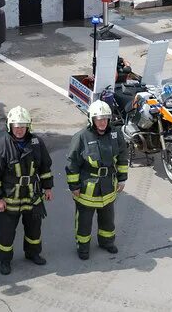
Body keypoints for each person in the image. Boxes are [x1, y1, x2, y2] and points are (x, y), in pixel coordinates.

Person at [0, 106, 54, 275]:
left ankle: (33, 253)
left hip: (32, 195)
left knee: (34, 229)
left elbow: (45, 166)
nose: (19, 129)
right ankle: (4, 260)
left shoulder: (37, 143)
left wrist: (48, 187)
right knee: (6, 233)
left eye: (23, 126)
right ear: (10, 126)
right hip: (10, 198)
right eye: (16, 126)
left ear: (28, 126)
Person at [66, 100, 129, 260]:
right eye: (99, 119)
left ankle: (107, 242)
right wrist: (74, 186)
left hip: (109, 186)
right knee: (84, 222)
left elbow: (122, 156)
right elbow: (72, 163)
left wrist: (122, 179)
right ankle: (83, 247)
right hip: (88, 188)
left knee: (108, 220)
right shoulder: (81, 137)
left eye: (105, 119)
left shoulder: (115, 134)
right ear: (91, 119)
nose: (102, 122)